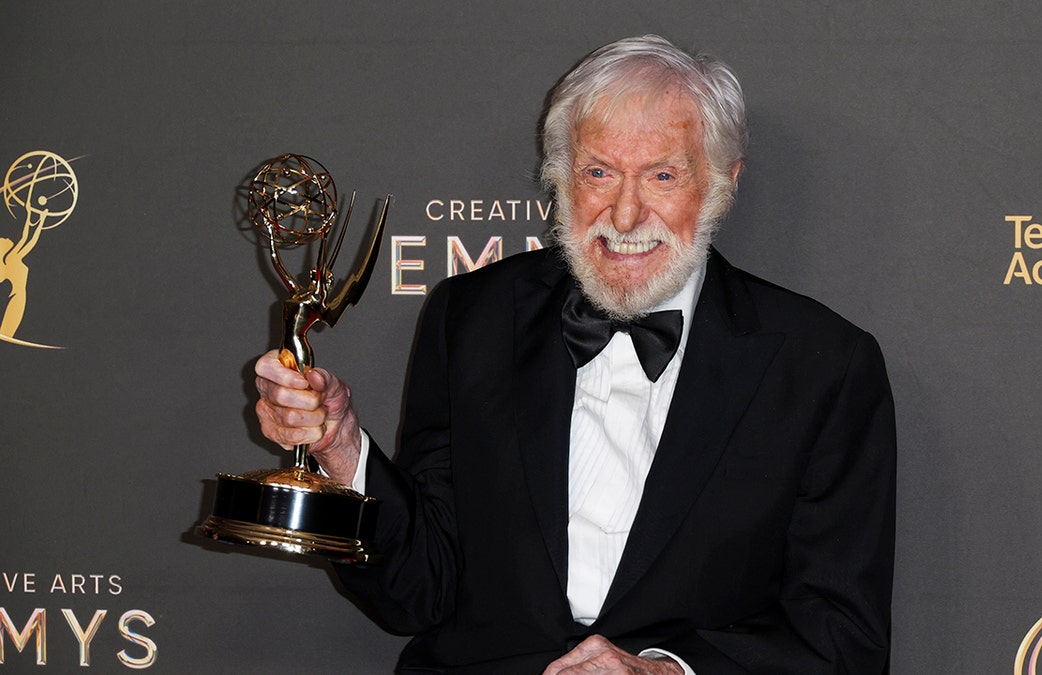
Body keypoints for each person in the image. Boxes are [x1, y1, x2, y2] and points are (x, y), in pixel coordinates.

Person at [254, 35, 896, 674]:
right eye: (598, 172)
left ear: (724, 183)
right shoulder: (473, 318)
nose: (623, 214)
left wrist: (666, 672)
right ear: (559, 176)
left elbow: (842, 639)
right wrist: (340, 449)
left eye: (663, 176)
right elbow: (418, 591)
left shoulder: (823, 367)